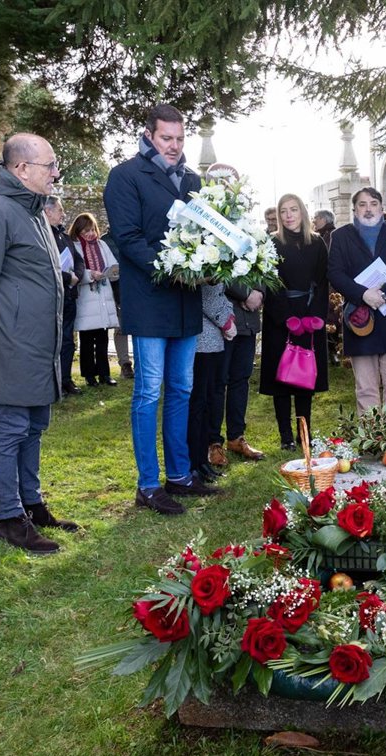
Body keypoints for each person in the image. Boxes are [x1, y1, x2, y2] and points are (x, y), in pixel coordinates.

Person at [0, 133, 78, 555]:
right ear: (22, 169)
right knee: (12, 428)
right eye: (50, 165)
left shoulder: (32, 209)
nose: (56, 172)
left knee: (35, 425)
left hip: (38, 341)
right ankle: (8, 518)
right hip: (13, 340)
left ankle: (30, 504)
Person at [104, 103, 213, 516]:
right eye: (166, 138)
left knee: (181, 389)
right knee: (149, 391)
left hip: (186, 305)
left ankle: (180, 475)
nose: (174, 145)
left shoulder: (193, 180)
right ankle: (148, 485)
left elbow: (205, 234)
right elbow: (128, 238)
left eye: (180, 138)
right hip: (150, 301)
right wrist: (174, 270)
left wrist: (211, 262)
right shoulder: (125, 175)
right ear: (149, 135)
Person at [327, 187, 386, 411]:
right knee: (366, 389)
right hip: (360, 320)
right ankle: (370, 433)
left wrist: (385, 294)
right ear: (354, 210)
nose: (368, 209)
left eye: (373, 204)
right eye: (362, 204)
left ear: (381, 207)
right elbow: (335, 273)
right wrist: (363, 295)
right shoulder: (340, 236)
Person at [260, 193, 330, 448]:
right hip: (280, 317)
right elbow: (270, 282)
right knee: (281, 377)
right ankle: (285, 437)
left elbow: (323, 282)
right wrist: (285, 316)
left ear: (302, 212)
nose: (288, 215)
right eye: (283, 211)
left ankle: (304, 434)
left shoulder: (317, 243)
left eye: (293, 209)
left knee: (304, 376)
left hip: (310, 315)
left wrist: (316, 316)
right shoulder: (272, 243)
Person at [209, 279, 265, 466]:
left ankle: (236, 437)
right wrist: (246, 294)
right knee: (217, 383)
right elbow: (216, 272)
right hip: (223, 320)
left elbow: (266, 268)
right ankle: (213, 442)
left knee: (241, 380)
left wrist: (260, 293)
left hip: (248, 321)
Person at [187, 282, 233, 490]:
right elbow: (207, 296)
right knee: (198, 403)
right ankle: (194, 463)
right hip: (201, 340)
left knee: (208, 401)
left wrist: (229, 315)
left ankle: (202, 461)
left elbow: (221, 295)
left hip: (214, 340)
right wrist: (226, 322)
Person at [69, 212, 120, 387]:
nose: (90, 234)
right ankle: (89, 375)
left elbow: (112, 264)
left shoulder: (102, 244)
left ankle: (105, 374)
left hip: (102, 295)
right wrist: (90, 275)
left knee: (103, 338)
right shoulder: (74, 246)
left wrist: (112, 272)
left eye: (92, 230)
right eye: (86, 231)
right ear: (78, 232)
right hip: (86, 297)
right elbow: (74, 271)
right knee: (87, 339)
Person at [42, 196, 85, 397]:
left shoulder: (65, 237)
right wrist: (68, 277)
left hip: (69, 296)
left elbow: (79, 260)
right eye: (60, 210)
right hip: (52, 297)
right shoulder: (42, 236)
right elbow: (45, 265)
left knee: (68, 340)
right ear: (48, 211)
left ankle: (65, 380)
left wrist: (77, 275)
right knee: (51, 341)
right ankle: (51, 382)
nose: (64, 214)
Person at [101, 231, 133, 378]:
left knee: (141, 328)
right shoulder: (105, 241)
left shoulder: (134, 234)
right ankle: (125, 364)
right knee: (120, 328)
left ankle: (141, 363)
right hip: (116, 289)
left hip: (136, 287)